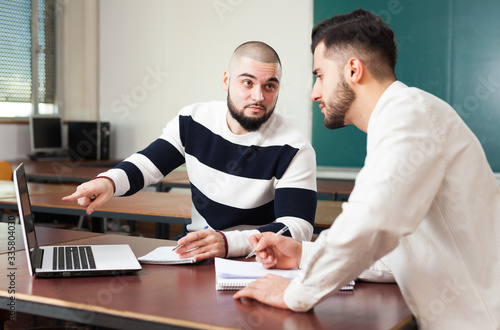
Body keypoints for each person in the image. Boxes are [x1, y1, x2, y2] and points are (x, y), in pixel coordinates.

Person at [234, 9, 500, 329]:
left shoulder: (407, 116)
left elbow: (369, 224)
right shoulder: (403, 119)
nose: (314, 92)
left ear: (353, 70)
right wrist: (303, 253)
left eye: (320, 75)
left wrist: (296, 292)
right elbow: (398, 256)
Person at [62, 41, 317, 261]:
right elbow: (149, 164)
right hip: (193, 249)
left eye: (270, 86)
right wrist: (108, 182)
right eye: (247, 82)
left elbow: (298, 227)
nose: (258, 96)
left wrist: (228, 243)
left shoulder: (295, 148)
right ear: (226, 80)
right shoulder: (193, 120)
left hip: (252, 260)